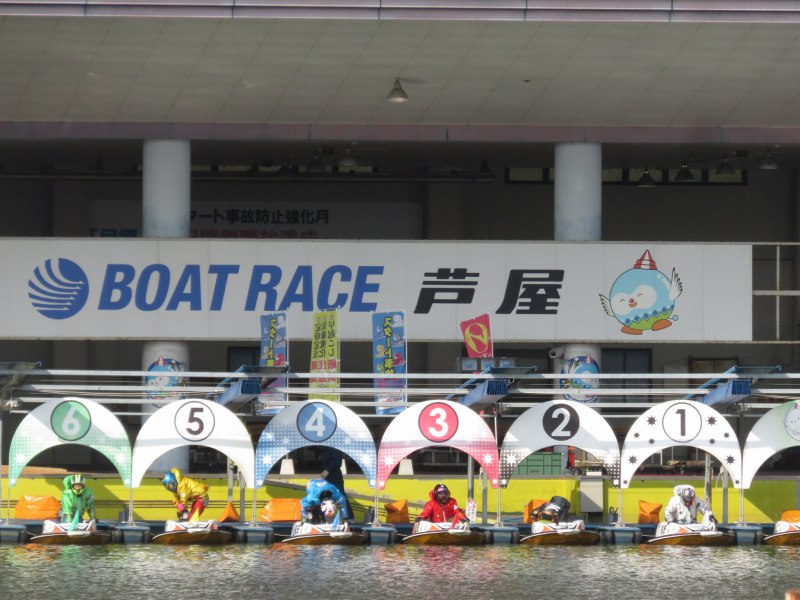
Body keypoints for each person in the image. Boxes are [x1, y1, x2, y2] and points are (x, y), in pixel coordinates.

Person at [319, 446, 352, 521]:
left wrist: (327, 469)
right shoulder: (329, 447)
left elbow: (337, 461)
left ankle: (347, 516)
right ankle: (324, 516)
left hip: (334, 474)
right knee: (327, 495)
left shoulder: (334, 446)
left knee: (339, 495)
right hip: (329, 473)